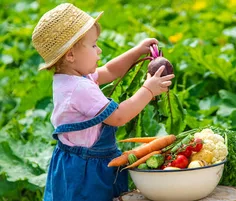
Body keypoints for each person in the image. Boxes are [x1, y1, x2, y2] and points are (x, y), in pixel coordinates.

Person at [31, 3, 175, 200]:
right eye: (93, 45)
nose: (98, 51)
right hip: (85, 172)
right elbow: (118, 117)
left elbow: (109, 71)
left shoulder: (73, 78)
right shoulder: (79, 88)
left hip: (80, 162)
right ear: (70, 55)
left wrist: (136, 52)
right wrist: (149, 89)